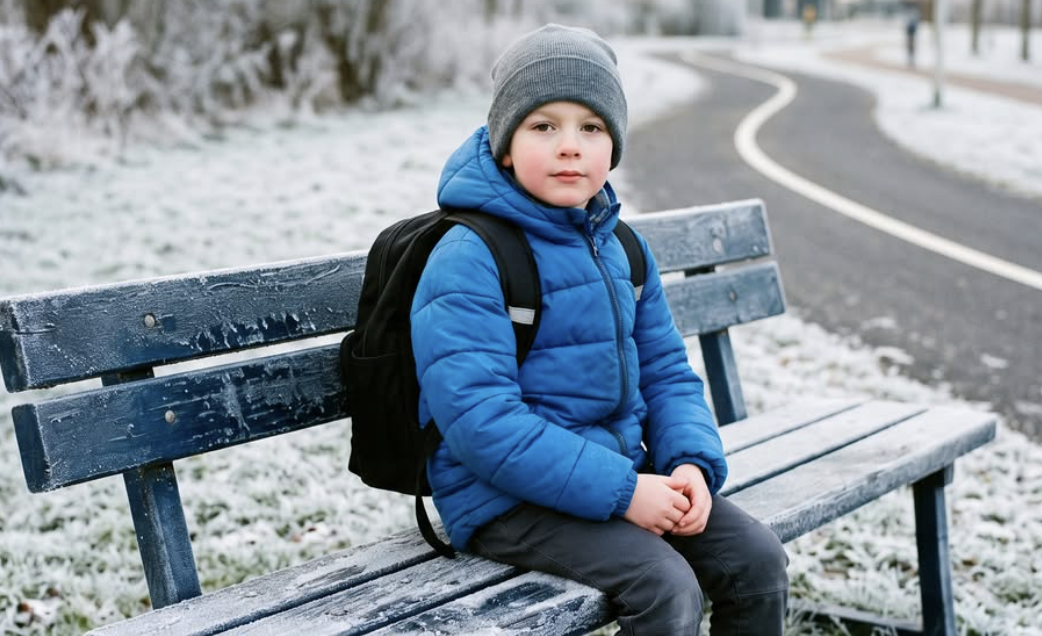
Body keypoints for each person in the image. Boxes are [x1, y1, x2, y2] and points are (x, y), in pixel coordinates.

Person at [410, 24, 789, 634]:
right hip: (503, 499)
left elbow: (667, 374)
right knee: (665, 587)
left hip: (618, 475)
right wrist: (626, 492)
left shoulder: (622, 248)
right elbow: (482, 423)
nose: (570, 147)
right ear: (505, 145)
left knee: (757, 562)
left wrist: (689, 463)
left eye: (591, 128)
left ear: (613, 147)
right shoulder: (470, 256)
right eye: (543, 126)